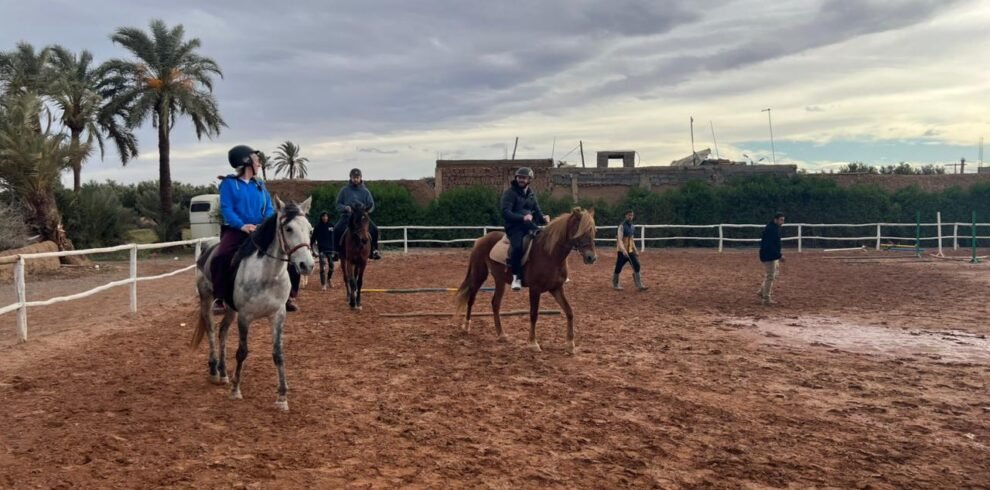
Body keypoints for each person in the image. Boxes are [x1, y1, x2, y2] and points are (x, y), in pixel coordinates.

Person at [210, 144, 275, 315]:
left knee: (284, 250)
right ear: (246, 162)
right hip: (237, 230)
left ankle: (289, 294)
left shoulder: (259, 184)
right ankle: (219, 298)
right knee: (221, 256)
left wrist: (265, 223)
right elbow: (227, 209)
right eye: (256, 160)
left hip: (260, 229)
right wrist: (242, 226)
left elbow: (269, 207)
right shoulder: (228, 184)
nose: (259, 163)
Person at [500, 167, 549, 291]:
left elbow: (537, 211)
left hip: (529, 226)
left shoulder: (531, 194)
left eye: (524, 177)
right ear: (516, 178)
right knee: (517, 247)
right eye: (519, 177)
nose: (521, 179)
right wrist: (523, 218)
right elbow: (505, 212)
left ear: (529, 179)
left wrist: (544, 218)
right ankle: (516, 277)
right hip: (514, 227)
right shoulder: (510, 193)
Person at [333, 168, 382, 260]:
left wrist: (367, 211)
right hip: (347, 216)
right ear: (350, 178)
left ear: (360, 178)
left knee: (374, 229)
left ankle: (375, 250)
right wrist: (345, 208)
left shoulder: (365, 191)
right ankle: (336, 252)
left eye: (357, 177)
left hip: (362, 217)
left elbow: (371, 205)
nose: (355, 179)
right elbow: (338, 204)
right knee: (336, 229)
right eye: (353, 177)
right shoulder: (344, 190)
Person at [613, 210, 648, 291]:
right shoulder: (621, 226)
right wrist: (623, 250)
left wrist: (635, 249)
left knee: (637, 265)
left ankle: (639, 285)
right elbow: (620, 239)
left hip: (630, 251)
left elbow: (631, 239)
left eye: (632, 215)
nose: (630, 217)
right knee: (618, 267)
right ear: (626, 216)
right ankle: (615, 284)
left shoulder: (632, 226)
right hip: (622, 251)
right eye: (629, 215)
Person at [759, 212, 786, 306]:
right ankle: (766, 298)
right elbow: (770, 246)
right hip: (769, 256)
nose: (783, 222)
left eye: (783, 220)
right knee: (770, 276)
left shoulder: (773, 228)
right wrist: (779, 255)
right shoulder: (772, 229)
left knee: (772, 274)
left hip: (771, 255)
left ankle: (762, 292)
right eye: (781, 220)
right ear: (776, 219)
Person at [311, 212, 335, 290]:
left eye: (326, 216)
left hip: (330, 250)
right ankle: (323, 284)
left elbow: (334, 237)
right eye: (323, 216)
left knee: (331, 265)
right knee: (323, 268)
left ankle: (329, 279)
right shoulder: (317, 227)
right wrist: (312, 249)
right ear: (321, 217)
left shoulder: (331, 226)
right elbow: (313, 239)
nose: (325, 218)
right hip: (322, 250)